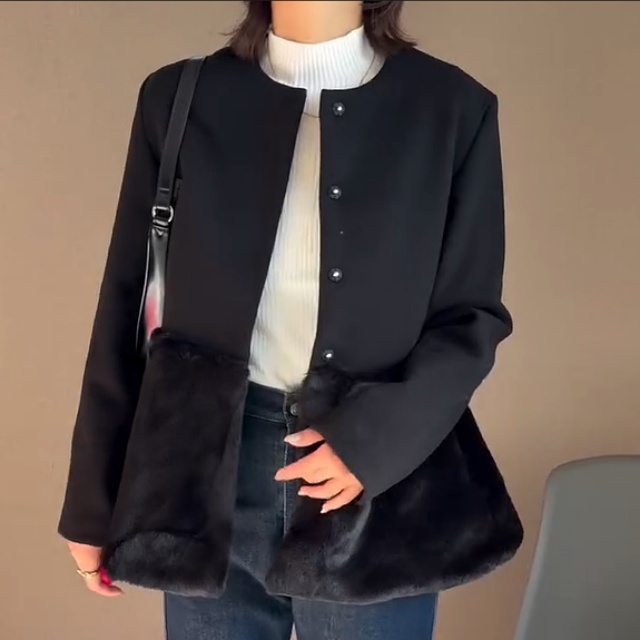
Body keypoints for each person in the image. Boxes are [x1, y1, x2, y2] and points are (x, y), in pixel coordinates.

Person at [58, 1, 523, 639]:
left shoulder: (452, 107)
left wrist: (371, 445)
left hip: (376, 490)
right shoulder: (179, 98)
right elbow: (127, 301)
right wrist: (91, 503)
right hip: (207, 481)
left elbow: (471, 317)